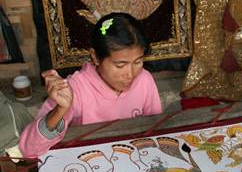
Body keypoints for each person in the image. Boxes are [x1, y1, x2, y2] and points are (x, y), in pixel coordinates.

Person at [19, 13, 162, 158]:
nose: (130, 74)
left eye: (137, 62)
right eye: (120, 65)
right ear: (95, 57)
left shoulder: (144, 80)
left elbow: (155, 130)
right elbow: (29, 151)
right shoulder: (73, 89)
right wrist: (61, 109)